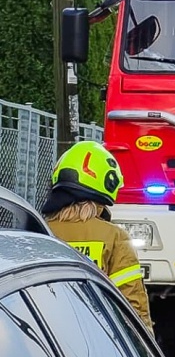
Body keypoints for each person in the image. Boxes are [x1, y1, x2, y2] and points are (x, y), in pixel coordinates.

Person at [41, 140, 154, 333]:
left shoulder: (39, 233)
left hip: (46, 339)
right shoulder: (115, 237)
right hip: (98, 342)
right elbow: (133, 310)